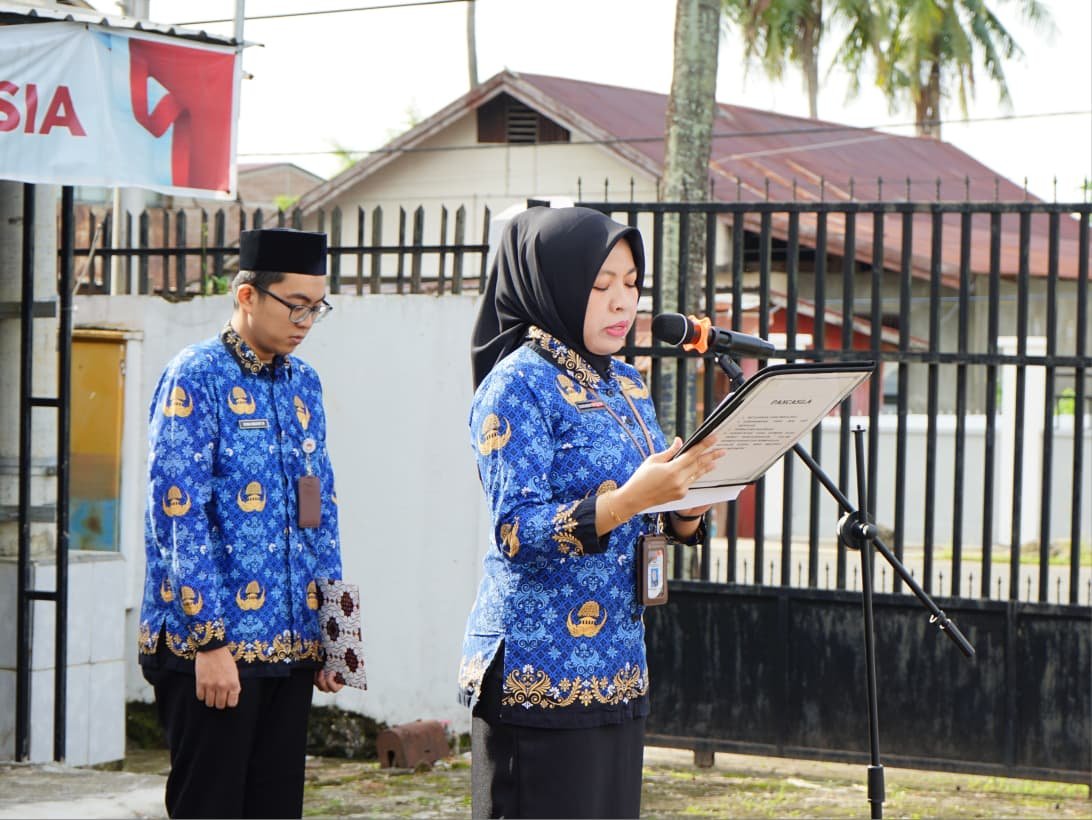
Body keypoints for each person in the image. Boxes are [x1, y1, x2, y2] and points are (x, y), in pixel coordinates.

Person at [458, 205, 726, 818]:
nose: (622, 301)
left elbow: (645, 514)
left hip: (617, 661)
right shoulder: (517, 384)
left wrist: (685, 506)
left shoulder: (626, 383)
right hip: (537, 666)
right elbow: (516, 531)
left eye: (631, 283)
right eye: (601, 285)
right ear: (553, 288)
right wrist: (631, 498)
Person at [137, 227, 345, 819]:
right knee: (211, 806)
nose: (306, 321)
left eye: (317, 307)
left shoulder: (304, 384)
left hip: (291, 643)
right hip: (214, 648)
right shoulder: (195, 375)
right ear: (247, 295)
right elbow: (177, 515)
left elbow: (320, 508)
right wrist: (209, 642)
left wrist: (334, 633)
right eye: (296, 305)